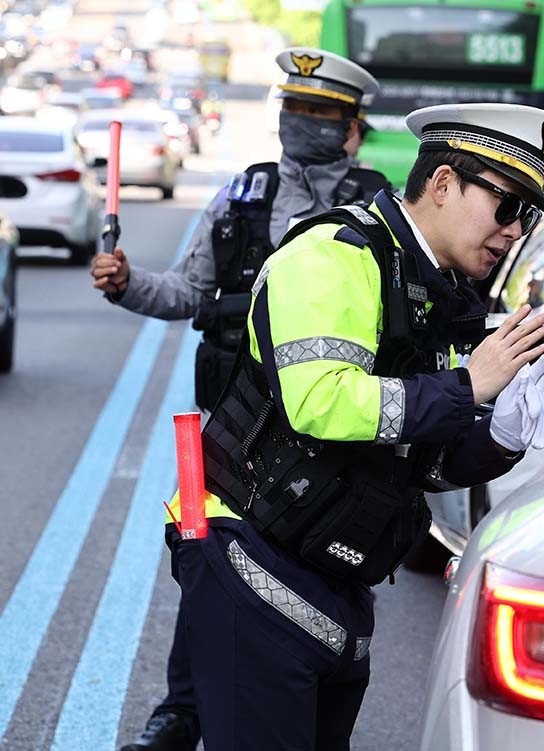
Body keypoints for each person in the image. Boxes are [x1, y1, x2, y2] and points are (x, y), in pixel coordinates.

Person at [168, 102, 544, 750]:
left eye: (525, 216)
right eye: (506, 206)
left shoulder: (437, 295)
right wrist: (467, 385)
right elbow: (321, 401)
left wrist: (498, 435)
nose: (512, 231)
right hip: (255, 565)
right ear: (443, 185)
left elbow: (418, 460)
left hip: (334, 589)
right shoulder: (333, 256)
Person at [100, 48, 391, 751]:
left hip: (330, 444)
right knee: (206, 567)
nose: (304, 125)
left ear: (352, 130)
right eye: (295, 110)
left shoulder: (377, 208)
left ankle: (307, 704)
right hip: (226, 436)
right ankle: (181, 710)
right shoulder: (242, 194)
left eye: (322, 114)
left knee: (313, 581)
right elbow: (189, 292)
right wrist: (126, 283)